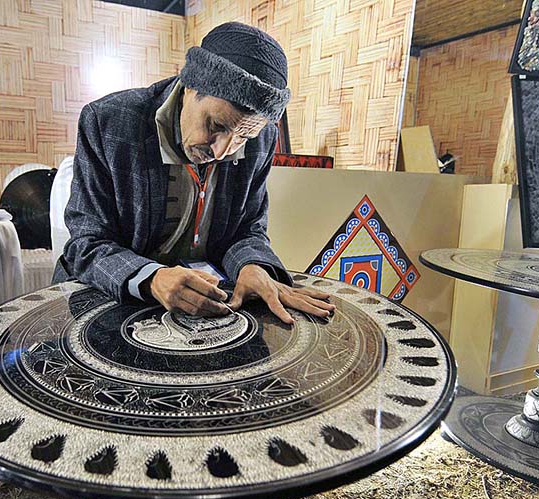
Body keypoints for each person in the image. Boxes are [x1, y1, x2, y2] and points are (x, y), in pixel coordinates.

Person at [53, 22, 334, 324]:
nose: (222, 151)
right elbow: (86, 244)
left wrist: (252, 266)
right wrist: (152, 278)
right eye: (216, 126)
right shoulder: (108, 122)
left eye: (242, 138)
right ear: (189, 86)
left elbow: (247, 229)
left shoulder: (261, 139)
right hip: (113, 296)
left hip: (205, 303)